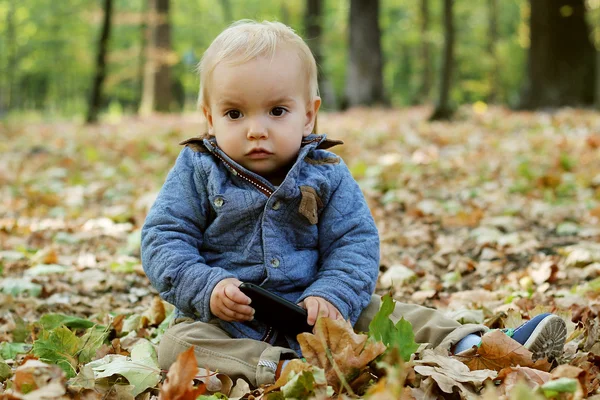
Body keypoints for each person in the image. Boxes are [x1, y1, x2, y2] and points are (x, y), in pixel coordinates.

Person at [141, 20, 567, 388]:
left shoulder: (326, 172)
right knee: (178, 345)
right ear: (209, 117)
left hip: (318, 312)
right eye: (235, 114)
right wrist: (206, 286)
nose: (256, 130)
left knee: (386, 312)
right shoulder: (198, 168)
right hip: (227, 318)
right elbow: (164, 236)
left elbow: (355, 241)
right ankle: (280, 368)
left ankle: (480, 344)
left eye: (276, 111)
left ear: (308, 115)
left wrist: (332, 294)